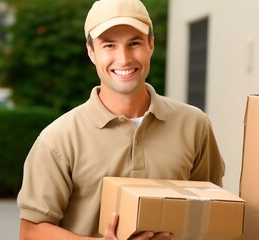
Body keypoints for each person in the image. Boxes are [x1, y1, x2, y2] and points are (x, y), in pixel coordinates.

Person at [17, 0, 225, 239]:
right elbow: (30, 231)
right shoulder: (58, 140)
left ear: (151, 45)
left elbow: (211, 212)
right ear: (91, 52)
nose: (124, 59)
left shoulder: (194, 125)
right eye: (109, 45)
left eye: (134, 43)